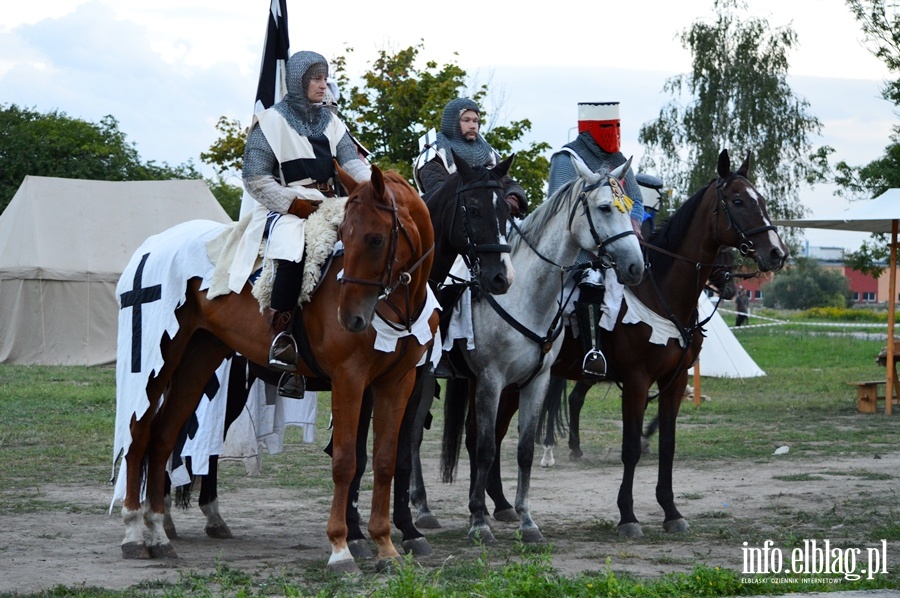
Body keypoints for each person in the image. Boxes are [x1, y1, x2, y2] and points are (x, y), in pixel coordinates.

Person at [236, 50, 371, 396]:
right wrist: (291, 203)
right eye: (316, 78)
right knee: (293, 250)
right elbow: (255, 177)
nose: (323, 84)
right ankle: (282, 338)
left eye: (325, 78)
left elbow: (351, 166)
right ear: (298, 81)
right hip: (286, 208)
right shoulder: (270, 122)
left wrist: (373, 188)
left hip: (331, 205)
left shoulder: (333, 122)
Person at [546, 101, 644, 378]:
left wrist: (633, 222)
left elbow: (635, 200)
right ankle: (591, 353)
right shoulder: (567, 159)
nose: (613, 132)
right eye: (606, 127)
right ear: (589, 130)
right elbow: (559, 206)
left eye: (616, 126)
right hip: (579, 247)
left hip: (616, 240)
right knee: (590, 281)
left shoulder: (618, 161)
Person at [413, 97, 528, 217]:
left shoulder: (486, 151)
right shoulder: (435, 149)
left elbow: (506, 181)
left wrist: (513, 197)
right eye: (466, 120)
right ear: (453, 122)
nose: (473, 126)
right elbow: (438, 189)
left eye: (475, 121)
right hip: (444, 220)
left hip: (487, 218)